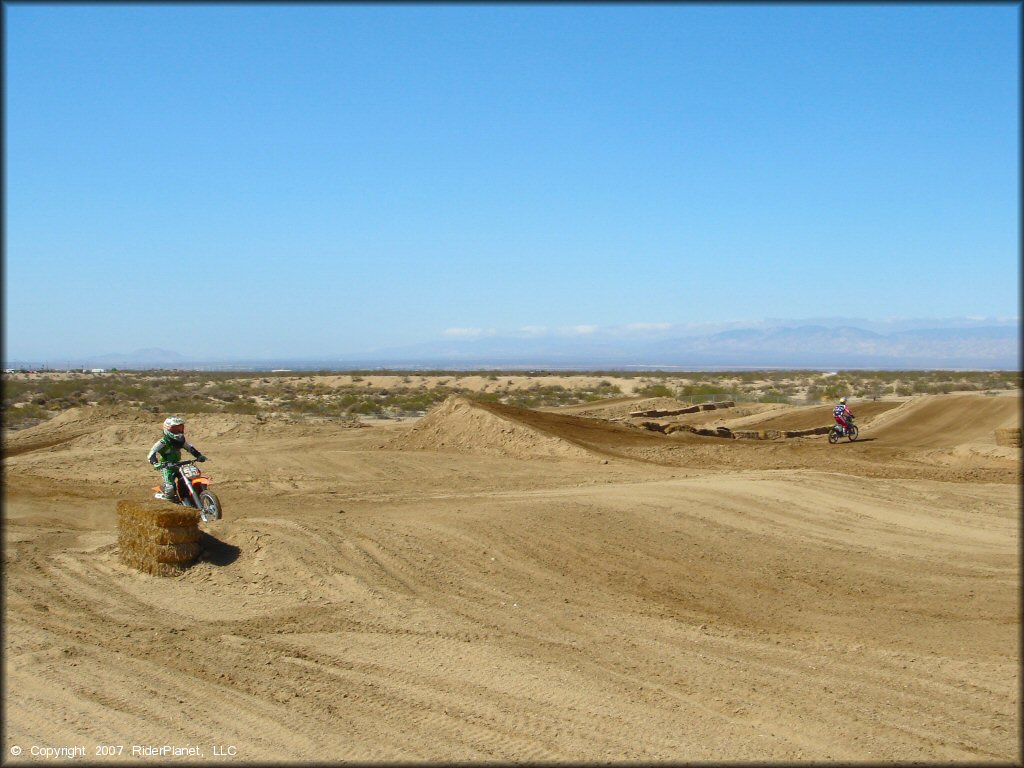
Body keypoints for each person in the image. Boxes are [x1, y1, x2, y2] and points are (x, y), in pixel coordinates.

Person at [148, 416, 206, 501]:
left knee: (192, 477)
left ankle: (191, 497)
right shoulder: (162, 442)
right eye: (175, 429)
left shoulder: (181, 441)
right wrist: (155, 463)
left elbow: (190, 448)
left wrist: (199, 456)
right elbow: (151, 454)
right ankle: (168, 500)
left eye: (180, 428)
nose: (178, 431)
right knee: (170, 489)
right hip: (167, 467)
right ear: (167, 429)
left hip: (179, 465)